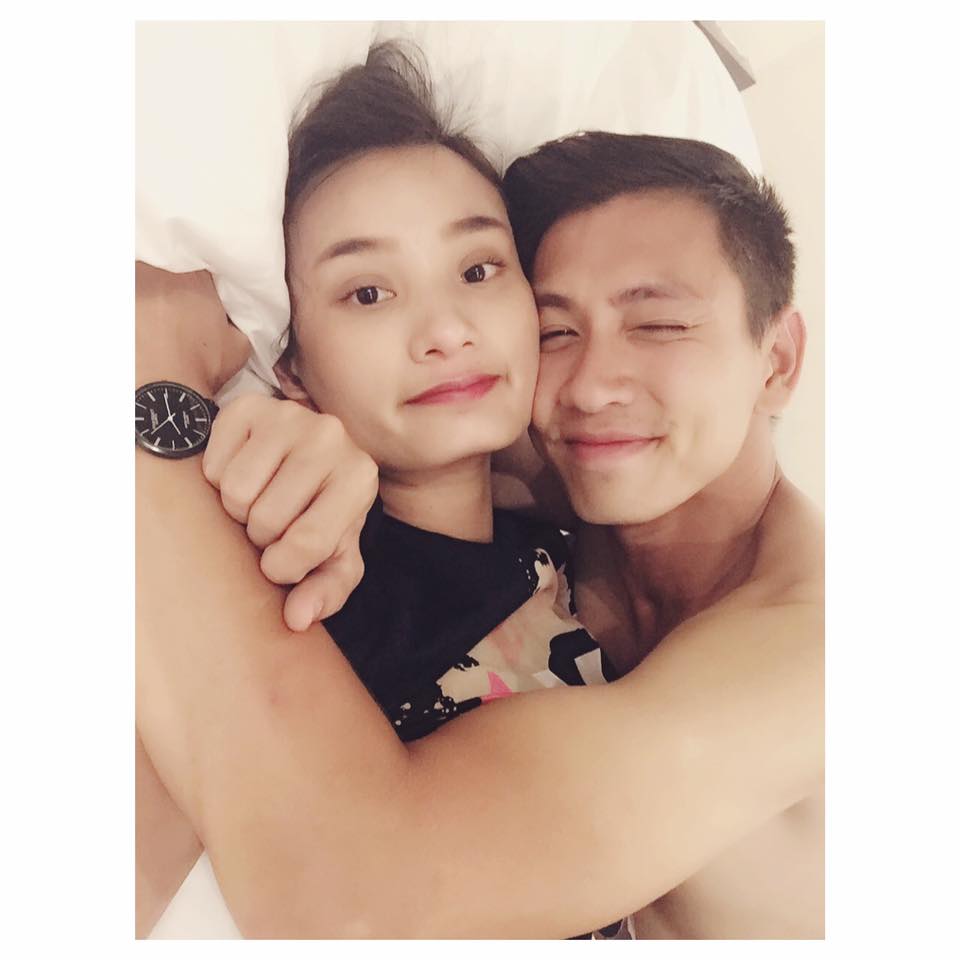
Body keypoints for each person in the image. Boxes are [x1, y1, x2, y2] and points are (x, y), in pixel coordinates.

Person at [135, 113, 823, 940]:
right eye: (557, 330)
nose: (591, 386)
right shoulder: (561, 515)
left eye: (659, 325)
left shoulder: (818, 655)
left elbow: (356, 905)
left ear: (778, 360)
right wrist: (319, 457)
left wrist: (147, 382)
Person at [136, 43, 620, 938]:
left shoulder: (583, 546)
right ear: (291, 366)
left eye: (478, 270)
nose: (446, 329)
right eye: (367, 293)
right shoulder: (289, 581)